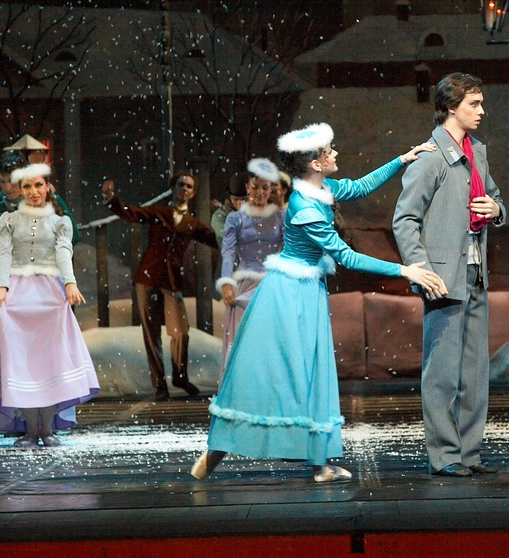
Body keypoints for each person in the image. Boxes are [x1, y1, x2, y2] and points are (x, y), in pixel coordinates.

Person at [191, 123, 445, 483]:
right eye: (329, 151)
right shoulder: (305, 205)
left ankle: (319, 465)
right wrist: (405, 270)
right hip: (288, 295)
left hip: (305, 292)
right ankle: (219, 450)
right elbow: (345, 255)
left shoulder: (321, 189)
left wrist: (402, 159)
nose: (336, 154)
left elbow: (359, 186)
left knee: (309, 373)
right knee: (274, 375)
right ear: (315, 163)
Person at [393, 72, 505, 477]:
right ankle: (444, 455)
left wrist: (496, 209)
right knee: (442, 373)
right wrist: (421, 270)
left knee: (475, 373)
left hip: (475, 271)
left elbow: (494, 197)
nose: (481, 110)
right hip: (443, 276)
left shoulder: (476, 152)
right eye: (474, 103)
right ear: (451, 107)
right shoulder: (431, 157)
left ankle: (469, 453)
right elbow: (405, 219)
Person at [0, 163, 99, 446]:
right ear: (20, 190)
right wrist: (1, 286)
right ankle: (31, 429)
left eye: (38, 185)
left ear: (47, 187)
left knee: (50, 362)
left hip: (49, 293)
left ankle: (47, 428)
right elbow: (4, 254)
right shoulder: (9, 220)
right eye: (27, 186)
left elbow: (63, 252)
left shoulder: (60, 221)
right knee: (21, 363)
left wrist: (70, 283)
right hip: (19, 294)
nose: (33, 191)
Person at [103, 171, 218, 400]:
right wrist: (111, 199)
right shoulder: (160, 213)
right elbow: (132, 213)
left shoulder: (193, 224)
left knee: (180, 331)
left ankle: (180, 376)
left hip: (172, 281)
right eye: (180, 185)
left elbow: (217, 239)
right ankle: (159, 385)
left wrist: (222, 215)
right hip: (148, 278)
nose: (184, 189)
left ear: (193, 193)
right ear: (173, 189)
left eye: (188, 186)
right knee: (151, 331)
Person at [215, 159, 285, 382]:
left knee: (271, 342)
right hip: (245, 285)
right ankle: (242, 391)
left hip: (272, 284)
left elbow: (289, 250)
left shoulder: (281, 216)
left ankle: (269, 391)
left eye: (265, 187)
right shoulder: (235, 218)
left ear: (272, 189)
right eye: (255, 187)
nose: (260, 192)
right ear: (247, 187)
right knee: (244, 341)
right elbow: (228, 252)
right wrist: (226, 282)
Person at [211, 174, 247, 248]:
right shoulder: (219, 217)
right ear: (230, 197)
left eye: (244, 199)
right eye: (236, 199)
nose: (240, 203)